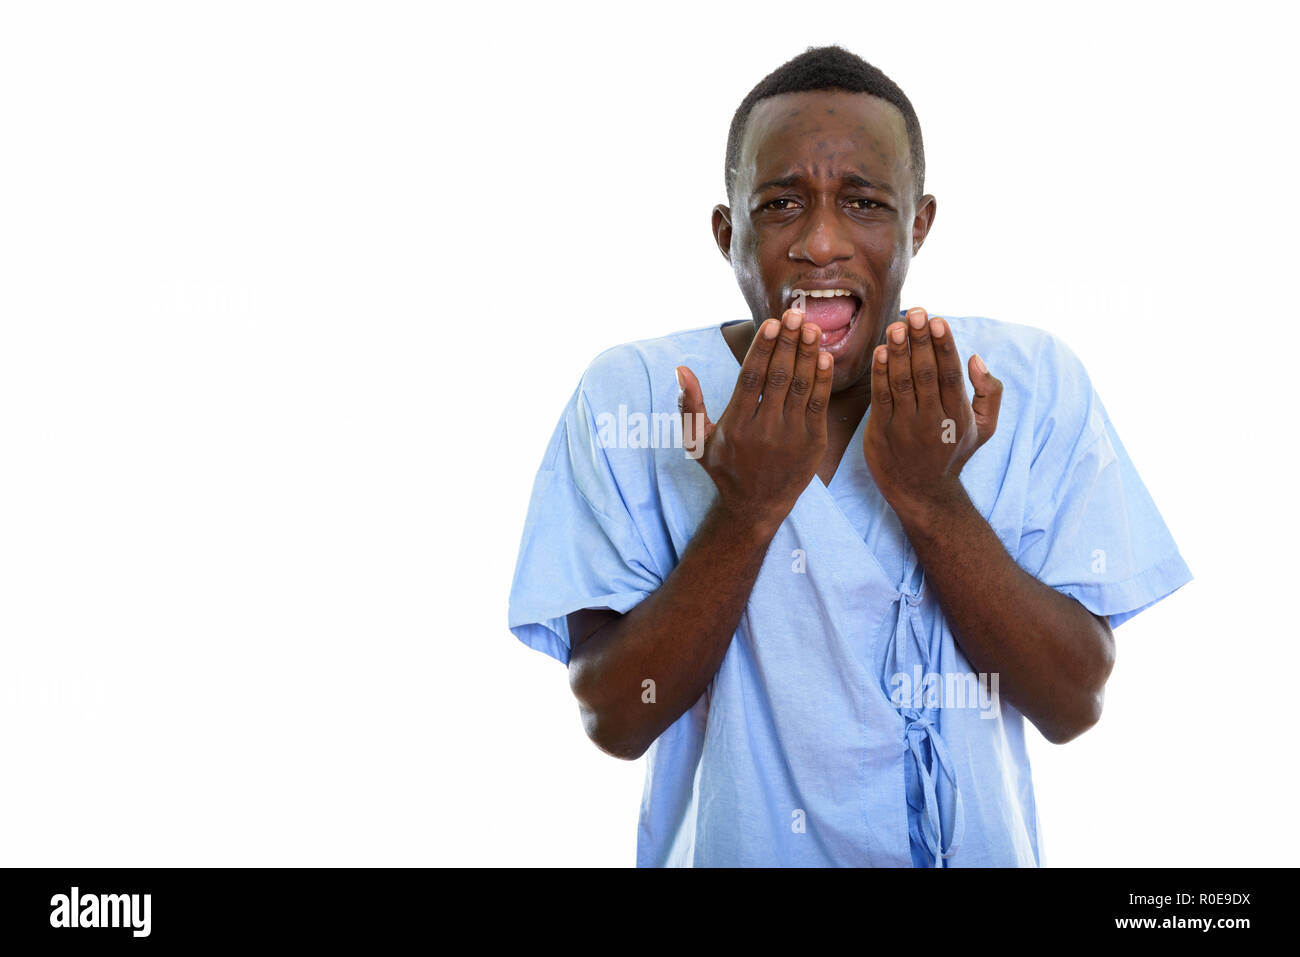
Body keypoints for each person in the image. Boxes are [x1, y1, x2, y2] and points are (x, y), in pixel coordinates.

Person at [507, 45, 1192, 867]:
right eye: (782, 204)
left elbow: (1074, 701)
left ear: (918, 223)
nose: (820, 244)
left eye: (863, 203)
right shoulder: (637, 395)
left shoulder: (1028, 383)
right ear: (728, 233)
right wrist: (746, 509)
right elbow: (614, 717)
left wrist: (933, 503)